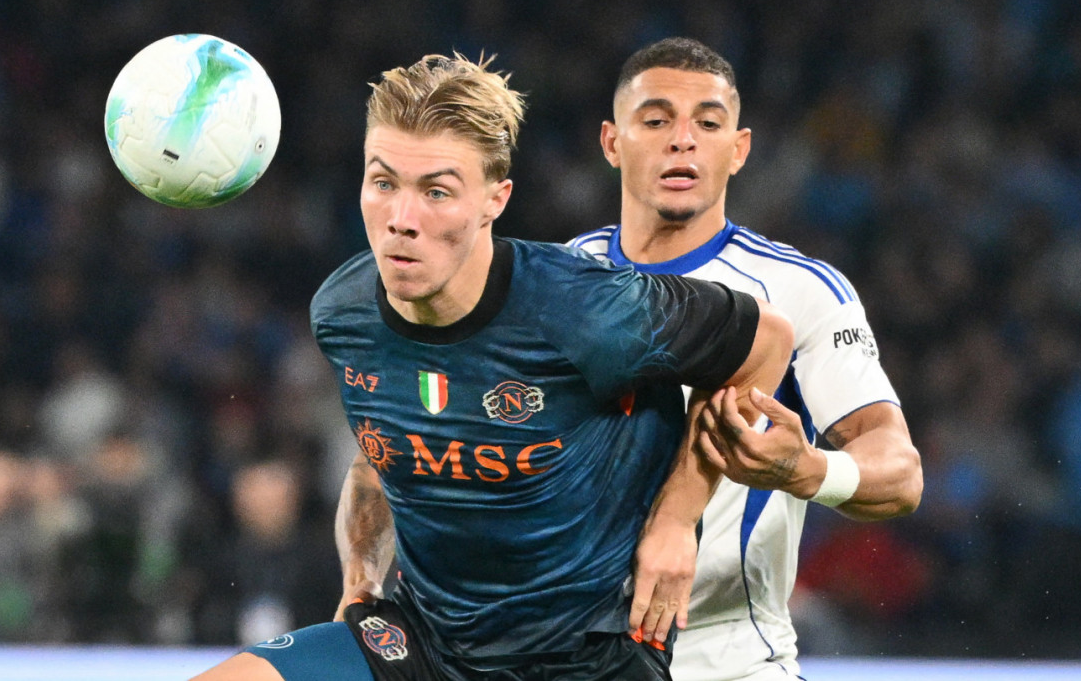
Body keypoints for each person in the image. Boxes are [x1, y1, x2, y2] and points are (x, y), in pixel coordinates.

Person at [191, 53, 793, 681]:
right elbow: (376, 458)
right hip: (425, 645)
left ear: (494, 199)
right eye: (383, 182)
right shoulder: (343, 312)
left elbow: (767, 341)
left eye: (437, 192)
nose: (402, 219)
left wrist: (676, 521)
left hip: (588, 658)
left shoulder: (591, 310)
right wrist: (361, 580)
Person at [568, 37, 923, 680]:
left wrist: (808, 468)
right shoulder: (561, 277)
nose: (684, 140)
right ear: (612, 142)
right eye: (656, 121)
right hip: (563, 651)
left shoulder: (801, 290)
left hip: (726, 656)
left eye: (708, 123)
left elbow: (900, 472)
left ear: (739, 149)